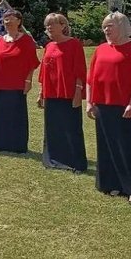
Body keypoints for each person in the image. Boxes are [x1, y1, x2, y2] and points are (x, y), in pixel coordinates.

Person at [86, 11, 131, 204]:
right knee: (105, 145)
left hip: (123, 105)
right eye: (104, 26)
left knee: (125, 147)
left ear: (122, 27)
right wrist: (89, 102)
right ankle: (109, 184)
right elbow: (91, 78)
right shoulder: (101, 49)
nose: (106, 29)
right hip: (102, 104)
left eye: (110, 26)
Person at [36, 13, 87, 172]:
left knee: (71, 128)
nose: (49, 27)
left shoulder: (74, 44)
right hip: (51, 93)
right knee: (53, 128)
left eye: (53, 24)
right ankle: (53, 159)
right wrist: (41, 92)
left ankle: (74, 161)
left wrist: (78, 92)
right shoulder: (49, 46)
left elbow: (80, 70)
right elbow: (44, 71)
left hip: (68, 93)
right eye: (47, 25)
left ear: (63, 26)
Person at [0, 10, 40, 153]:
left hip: (17, 84)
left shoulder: (26, 40)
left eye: (11, 18)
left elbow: (32, 62)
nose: (7, 22)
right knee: (0, 114)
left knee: (16, 115)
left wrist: (28, 80)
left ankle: (17, 145)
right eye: (5, 19)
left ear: (19, 21)